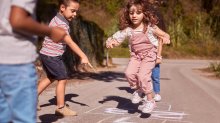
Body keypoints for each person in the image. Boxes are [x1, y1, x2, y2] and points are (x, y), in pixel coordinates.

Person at [0, 0, 67, 123]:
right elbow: (17, 20)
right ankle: (60, 106)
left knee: (4, 116)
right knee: (22, 118)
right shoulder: (59, 22)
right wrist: (51, 31)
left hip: (3, 57)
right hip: (17, 61)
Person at [106, 0, 170, 113]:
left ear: (144, 13)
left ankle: (150, 100)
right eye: (131, 13)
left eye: (138, 12)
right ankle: (138, 90)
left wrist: (166, 38)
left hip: (150, 55)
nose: (134, 15)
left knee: (143, 76)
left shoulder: (150, 27)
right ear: (128, 14)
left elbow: (164, 34)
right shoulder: (128, 30)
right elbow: (117, 38)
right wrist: (111, 42)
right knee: (129, 73)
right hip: (136, 56)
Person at [37, 0, 91, 116]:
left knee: (51, 77)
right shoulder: (61, 25)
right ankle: (60, 108)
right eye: (72, 11)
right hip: (52, 56)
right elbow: (70, 43)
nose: (75, 14)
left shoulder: (57, 19)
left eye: (76, 12)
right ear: (62, 7)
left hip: (46, 53)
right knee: (62, 78)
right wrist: (83, 56)